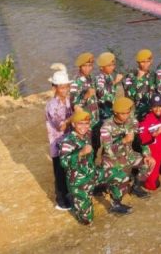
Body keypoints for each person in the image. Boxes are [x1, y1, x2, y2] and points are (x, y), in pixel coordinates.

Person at [59, 108, 131, 225]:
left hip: (92, 173)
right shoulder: (68, 141)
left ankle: (116, 204)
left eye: (86, 123)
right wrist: (80, 153)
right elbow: (63, 162)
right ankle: (76, 199)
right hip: (79, 183)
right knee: (87, 220)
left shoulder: (86, 134)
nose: (84, 126)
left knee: (120, 175)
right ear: (73, 124)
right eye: (80, 124)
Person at [100, 97, 155, 200]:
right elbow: (108, 150)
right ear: (115, 112)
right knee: (122, 187)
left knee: (150, 162)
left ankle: (136, 187)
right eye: (123, 113)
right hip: (113, 160)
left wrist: (147, 154)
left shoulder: (132, 121)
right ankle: (113, 197)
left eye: (128, 112)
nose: (126, 116)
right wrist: (123, 141)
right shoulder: (106, 127)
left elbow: (142, 140)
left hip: (129, 155)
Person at [45, 63, 73, 210]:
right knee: (60, 173)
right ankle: (61, 201)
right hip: (57, 144)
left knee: (67, 170)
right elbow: (60, 126)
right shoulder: (52, 106)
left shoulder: (67, 100)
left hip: (68, 142)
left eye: (66, 87)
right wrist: (74, 118)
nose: (65, 90)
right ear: (54, 88)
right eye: (62, 87)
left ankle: (68, 195)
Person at [70, 52, 99, 152]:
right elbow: (74, 105)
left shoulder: (91, 78)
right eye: (85, 66)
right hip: (85, 124)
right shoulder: (75, 82)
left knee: (95, 147)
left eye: (90, 66)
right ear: (80, 66)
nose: (88, 68)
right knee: (86, 150)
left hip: (94, 120)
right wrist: (85, 96)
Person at [123, 49, 157, 121]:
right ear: (138, 62)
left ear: (151, 61)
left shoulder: (153, 74)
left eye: (148, 61)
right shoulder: (131, 75)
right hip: (139, 112)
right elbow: (128, 95)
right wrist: (138, 79)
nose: (145, 64)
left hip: (153, 111)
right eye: (143, 62)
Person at [94, 52, 123, 124]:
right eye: (109, 66)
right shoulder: (99, 78)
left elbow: (112, 92)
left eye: (113, 65)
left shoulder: (109, 76)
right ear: (101, 67)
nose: (112, 67)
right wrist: (115, 82)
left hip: (110, 108)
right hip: (104, 110)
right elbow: (101, 93)